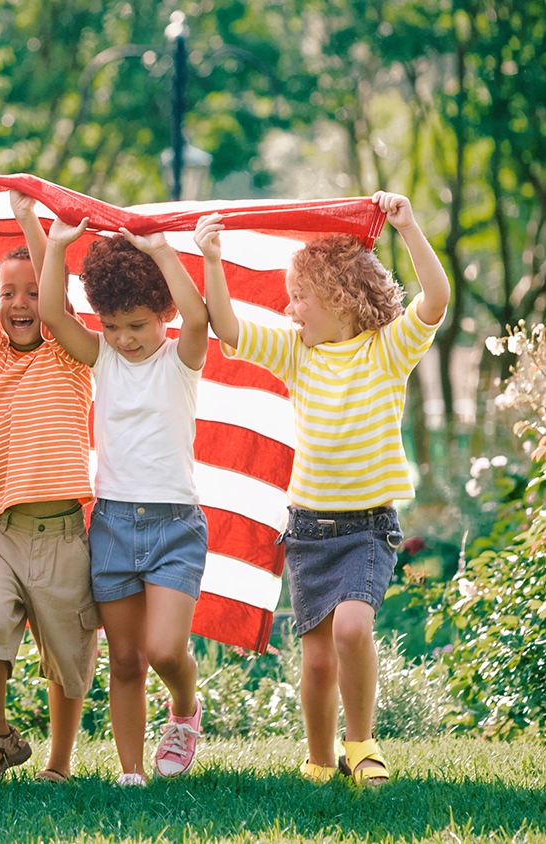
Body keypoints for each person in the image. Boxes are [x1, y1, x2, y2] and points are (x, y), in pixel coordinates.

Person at [199, 192, 449, 787]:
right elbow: (228, 326)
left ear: (341, 297)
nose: (291, 308)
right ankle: (318, 758)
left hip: (367, 527)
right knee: (314, 661)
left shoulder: (387, 351)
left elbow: (435, 299)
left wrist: (409, 227)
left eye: (301, 296)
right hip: (310, 528)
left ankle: (361, 746)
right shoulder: (296, 353)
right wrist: (211, 259)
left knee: (351, 631)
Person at [39, 214, 209, 786]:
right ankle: (132, 771)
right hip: (111, 524)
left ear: (161, 313)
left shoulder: (181, 360)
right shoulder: (103, 357)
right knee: (128, 660)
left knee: (164, 651)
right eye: (112, 326)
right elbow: (52, 314)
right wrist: (58, 247)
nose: (125, 338)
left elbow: (200, 314)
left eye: (137, 324)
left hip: (174, 526)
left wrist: (162, 251)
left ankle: (185, 706)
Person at [0, 189, 98, 783]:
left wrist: (32, 222)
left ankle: (58, 763)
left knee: (68, 657)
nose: (18, 302)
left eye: (32, 292)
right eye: (10, 293)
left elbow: (56, 303)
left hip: (63, 531)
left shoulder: (69, 354)